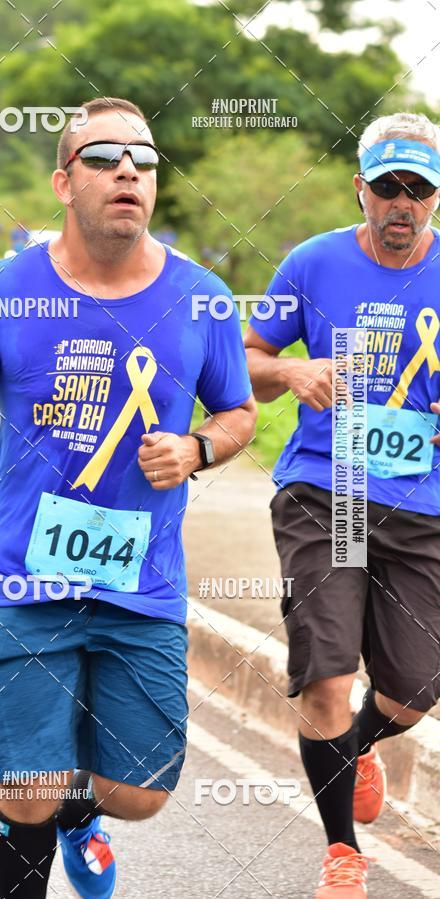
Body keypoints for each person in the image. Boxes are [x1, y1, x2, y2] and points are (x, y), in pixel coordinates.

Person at [0, 96, 256, 898]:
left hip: (143, 582)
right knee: (25, 780)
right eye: (104, 157)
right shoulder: (2, 292)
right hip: (27, 576)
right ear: (65, 182)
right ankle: (36, 810)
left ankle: (78, 813)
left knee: (141, 792)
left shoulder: (201, 297)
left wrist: (199, 447)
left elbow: (239, 410)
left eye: (144, 159)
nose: (128, 169)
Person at [244, 111, 440, 897]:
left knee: (415, 691)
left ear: (434, 198)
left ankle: (360, 742)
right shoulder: (313, 262)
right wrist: (295, 375)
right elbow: (247, 360)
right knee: (325, 673)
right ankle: (342, 851)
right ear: (359, 188)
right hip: (329, 493)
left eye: (417, 190)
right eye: (387, 187)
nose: (401, 203)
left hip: (421, 505)